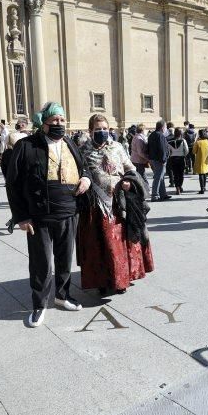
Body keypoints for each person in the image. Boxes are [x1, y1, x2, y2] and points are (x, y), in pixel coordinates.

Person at [6, 102, 91, 328]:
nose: (59, 124)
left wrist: (86, 179)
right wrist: (21, 216)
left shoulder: (70, 143)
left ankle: (62, 296)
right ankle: (39, 303)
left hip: (68, 212)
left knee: (65, 258)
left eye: (62, 120)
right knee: (41, 262)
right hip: (39, 215)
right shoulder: (26, 146)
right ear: (42, 122)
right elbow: (13, 184)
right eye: (54, 120)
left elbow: (84, 168)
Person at [78, 114, 154, 295]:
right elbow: (80, 172)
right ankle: (102, 282)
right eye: (98, 129)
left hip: (119, 203)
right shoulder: (83, 151)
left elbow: (131, 169)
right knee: (101, 244)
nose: (102, 132)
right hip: (96, 205)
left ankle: (121, 280)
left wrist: (128, 181)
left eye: (105, 128)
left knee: (120, 243)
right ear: (90, 131)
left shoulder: (118, 147)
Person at [0, 130, 27, 233]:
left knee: (18, 204)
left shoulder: (7, 153)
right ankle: (13, 221)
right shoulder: (13, 153)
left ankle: (13, 220)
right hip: (18, 183)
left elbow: (4, 168)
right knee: (19, 204)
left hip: (11, 182)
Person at [147, 120, 172, 202]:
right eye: (165, 127)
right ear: (162, 127)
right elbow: (162, 149)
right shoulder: (160, 135)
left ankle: (163, 194)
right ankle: (155, 195)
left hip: (153, 159)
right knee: (158, 177)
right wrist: (163, 159)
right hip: (159, 160)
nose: (166, 129)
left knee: (161, 177)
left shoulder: (152, 135)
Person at [167, 127, 188, 195]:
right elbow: (187, 150)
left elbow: (168, 151)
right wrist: (184, 154)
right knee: (181, 174)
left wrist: (171, 154)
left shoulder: (169, 141)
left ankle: (177, 188)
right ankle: (180, 186)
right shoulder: (183, 140)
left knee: (175, 174)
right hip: (181, 158)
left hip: (173, 158)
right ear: (180, 133)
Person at [130, 123, 150, 190]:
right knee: (142, 176)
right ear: (142, 130)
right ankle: (147, 189)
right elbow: (140, 152)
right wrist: (147, 158)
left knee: (140, 176)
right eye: (145, 129)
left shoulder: (138, 137)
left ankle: (143, 189)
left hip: (137, 160)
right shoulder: (139, 138)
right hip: (138, 160)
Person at [192, 129, 208, 194]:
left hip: (199, 160)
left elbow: (193, 151)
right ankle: (204, 187)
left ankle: (202, 188)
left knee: (201, 174)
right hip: (206, 160)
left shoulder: (198, 142)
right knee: (205, 174)